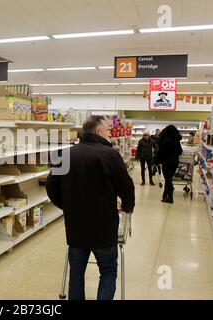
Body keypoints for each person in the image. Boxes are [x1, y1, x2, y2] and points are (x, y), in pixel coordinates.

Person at [45, 116, 135, 300]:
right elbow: (126, 187)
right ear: (98, 131)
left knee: (76, 274)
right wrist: (127, 207)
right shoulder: (110, 155)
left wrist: (67, 206)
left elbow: (51, 186)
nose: (110, 133)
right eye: (108, 130)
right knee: (108, 271)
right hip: (104, 228)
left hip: (76, 227)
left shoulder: (66, 154)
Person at [155, 125, 183, 204]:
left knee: (168, 180)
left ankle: (170, 198)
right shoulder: (176, 140)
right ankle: (164, 195)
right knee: (169, 179)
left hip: (166, 162)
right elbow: (180, 151)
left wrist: (157, 160)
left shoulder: (163, 140)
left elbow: (160, 151)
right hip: (174, 162)